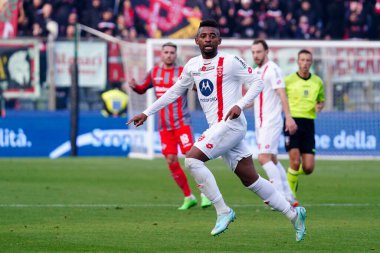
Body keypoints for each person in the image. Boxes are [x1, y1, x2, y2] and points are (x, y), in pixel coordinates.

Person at [128, 19, 307, 241]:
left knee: (192, 160)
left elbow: (258, 83)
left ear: (219, 40)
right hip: (218, 128)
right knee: (250, 179)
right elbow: (174, 92)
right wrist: (147, 113)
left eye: (213, 36)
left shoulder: (231, 61)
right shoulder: (192, 66)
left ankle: (223, 210)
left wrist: (239, 105)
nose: (208, 39)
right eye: (204, 36)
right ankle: (293, 214)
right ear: (197, 41)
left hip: (232, 124)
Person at [128, 42, 212, 210]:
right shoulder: (155, 72)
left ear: (176, 55)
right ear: (161, 54)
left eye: (172, 52)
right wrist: (135, 86)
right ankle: (188, 197)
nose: (168, 55)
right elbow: (143, 89)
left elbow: (198, 89)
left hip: (182, 124)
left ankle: (206, 195)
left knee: (191, 158)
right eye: (166, 52)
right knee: (171, 160)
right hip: (164, 126)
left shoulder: (182, 72)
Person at [250, 39, 298, 206]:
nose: (256, 55)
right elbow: (253, 98)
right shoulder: (257, 72)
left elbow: (281, 94)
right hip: (260, 122)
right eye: (253, 52)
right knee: (273, 159)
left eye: (259, 52)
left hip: (271, 121)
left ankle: (279, 198)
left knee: (263, 157)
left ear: (266, 52)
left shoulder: (273, 69)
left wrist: (289, 117)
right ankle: (289, 195)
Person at [284, 49, 325, 197]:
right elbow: (281, 99)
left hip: (309, 124)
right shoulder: (288, 80)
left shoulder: (318, 81)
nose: (305, 63)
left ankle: (288, 177)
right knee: (294, 162)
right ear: (297, 62)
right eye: (302, 60)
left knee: (308, 168)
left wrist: (320, 106)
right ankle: (288, 196)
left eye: (308, 60)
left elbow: (321, 100)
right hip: (292, 122)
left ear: (311, 62)